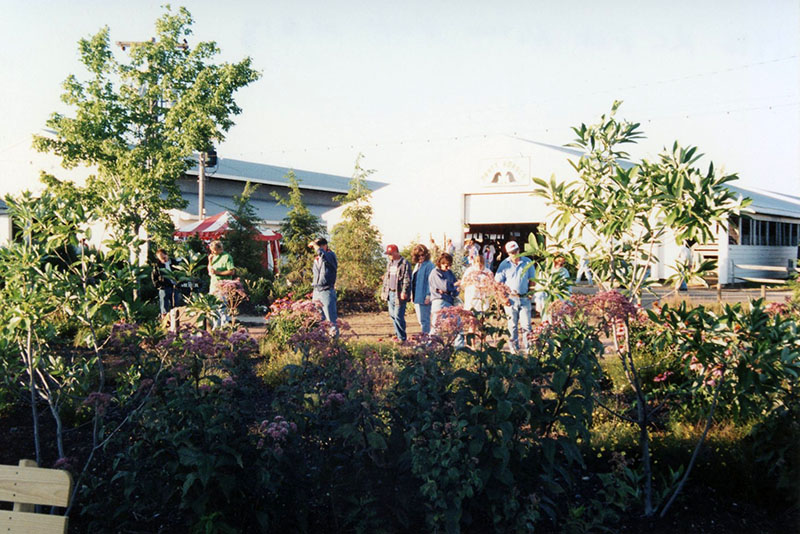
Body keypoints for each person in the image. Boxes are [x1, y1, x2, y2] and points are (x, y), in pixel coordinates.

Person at [494, 241, 535, 354]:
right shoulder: (504, 265)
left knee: (526, 325)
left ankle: (529, 350)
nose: (514, 254)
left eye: (516, 251)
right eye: (512, 253)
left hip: (524, 297)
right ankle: (514, 350)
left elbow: (532, 280)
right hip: (510, 299)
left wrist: (531, 293)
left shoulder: (528, 262)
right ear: (508, 253)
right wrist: (503, 298)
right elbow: (497, 283)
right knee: (512, 326)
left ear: (519, 250)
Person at [428, 252, 463, 347]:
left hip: (450, 302)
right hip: (439, 302)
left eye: (450, 266)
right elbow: (445, 286)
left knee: (458, 325)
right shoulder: (435, 273)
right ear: (440, 263)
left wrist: (454, 288)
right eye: (446, 266)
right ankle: (428, 349)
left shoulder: (449, 273)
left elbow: (453, 289)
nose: (448, 268)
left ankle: (459, 348)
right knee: (436, 327)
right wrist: (454, 286)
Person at [381, 244, 412, 341]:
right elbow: (386, 278)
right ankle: (398, 335)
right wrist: (383, 291)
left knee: (398, 316)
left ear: (396, 252)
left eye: (390, 254)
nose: (389, 256)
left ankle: (402, 337)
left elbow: (407, 279)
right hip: (390, 292)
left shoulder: (405, 263)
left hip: (399, 293)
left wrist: (404, 291)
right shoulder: (389, 263)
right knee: (392, 315)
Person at [309, 237, 338, 335]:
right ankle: (322, 344)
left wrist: (316, 246)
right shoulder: (317, 259)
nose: (317, 248)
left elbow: (323, 254)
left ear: (325, 246)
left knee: (331, 321)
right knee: (318, 320)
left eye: (320, 246)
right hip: (316, 291)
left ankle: (335, 346)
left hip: (326, 291)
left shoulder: (330, 255)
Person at [208, 240, 236, 326]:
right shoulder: (213, 256)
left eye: (215, 250)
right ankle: (215, 326)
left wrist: (218, 272)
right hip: (213, 284)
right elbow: (210, 271)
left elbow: (232, 271)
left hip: (223, 285)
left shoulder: (227, 257)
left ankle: (224, 326)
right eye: (212, 250)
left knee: (222, 306)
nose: (213, 252)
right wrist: (209, 261)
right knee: (213, 306)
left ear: (220, 249)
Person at [410, 244, 435, 335]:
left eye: (422, 255)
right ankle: (426, 338)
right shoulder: (418, 265)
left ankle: (427, 340)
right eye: (418, 255)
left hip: (424, 297)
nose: (421, 257)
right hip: (417, 296)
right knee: (421, 320)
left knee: (425, 320)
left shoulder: (430, 265)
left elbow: (431, 282)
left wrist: (428, 295)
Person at [152, 248, 178, 316]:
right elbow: (154, 277)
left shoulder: (174, 263)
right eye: (161, 258)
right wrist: (159, 286)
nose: (163, 259)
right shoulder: (157, 266)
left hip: (174, 286)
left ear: (166, 255)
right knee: (164, 308)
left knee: (175, 306)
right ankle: (165, 322)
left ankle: (176, 322)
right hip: (164, 287)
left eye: (163, 257)